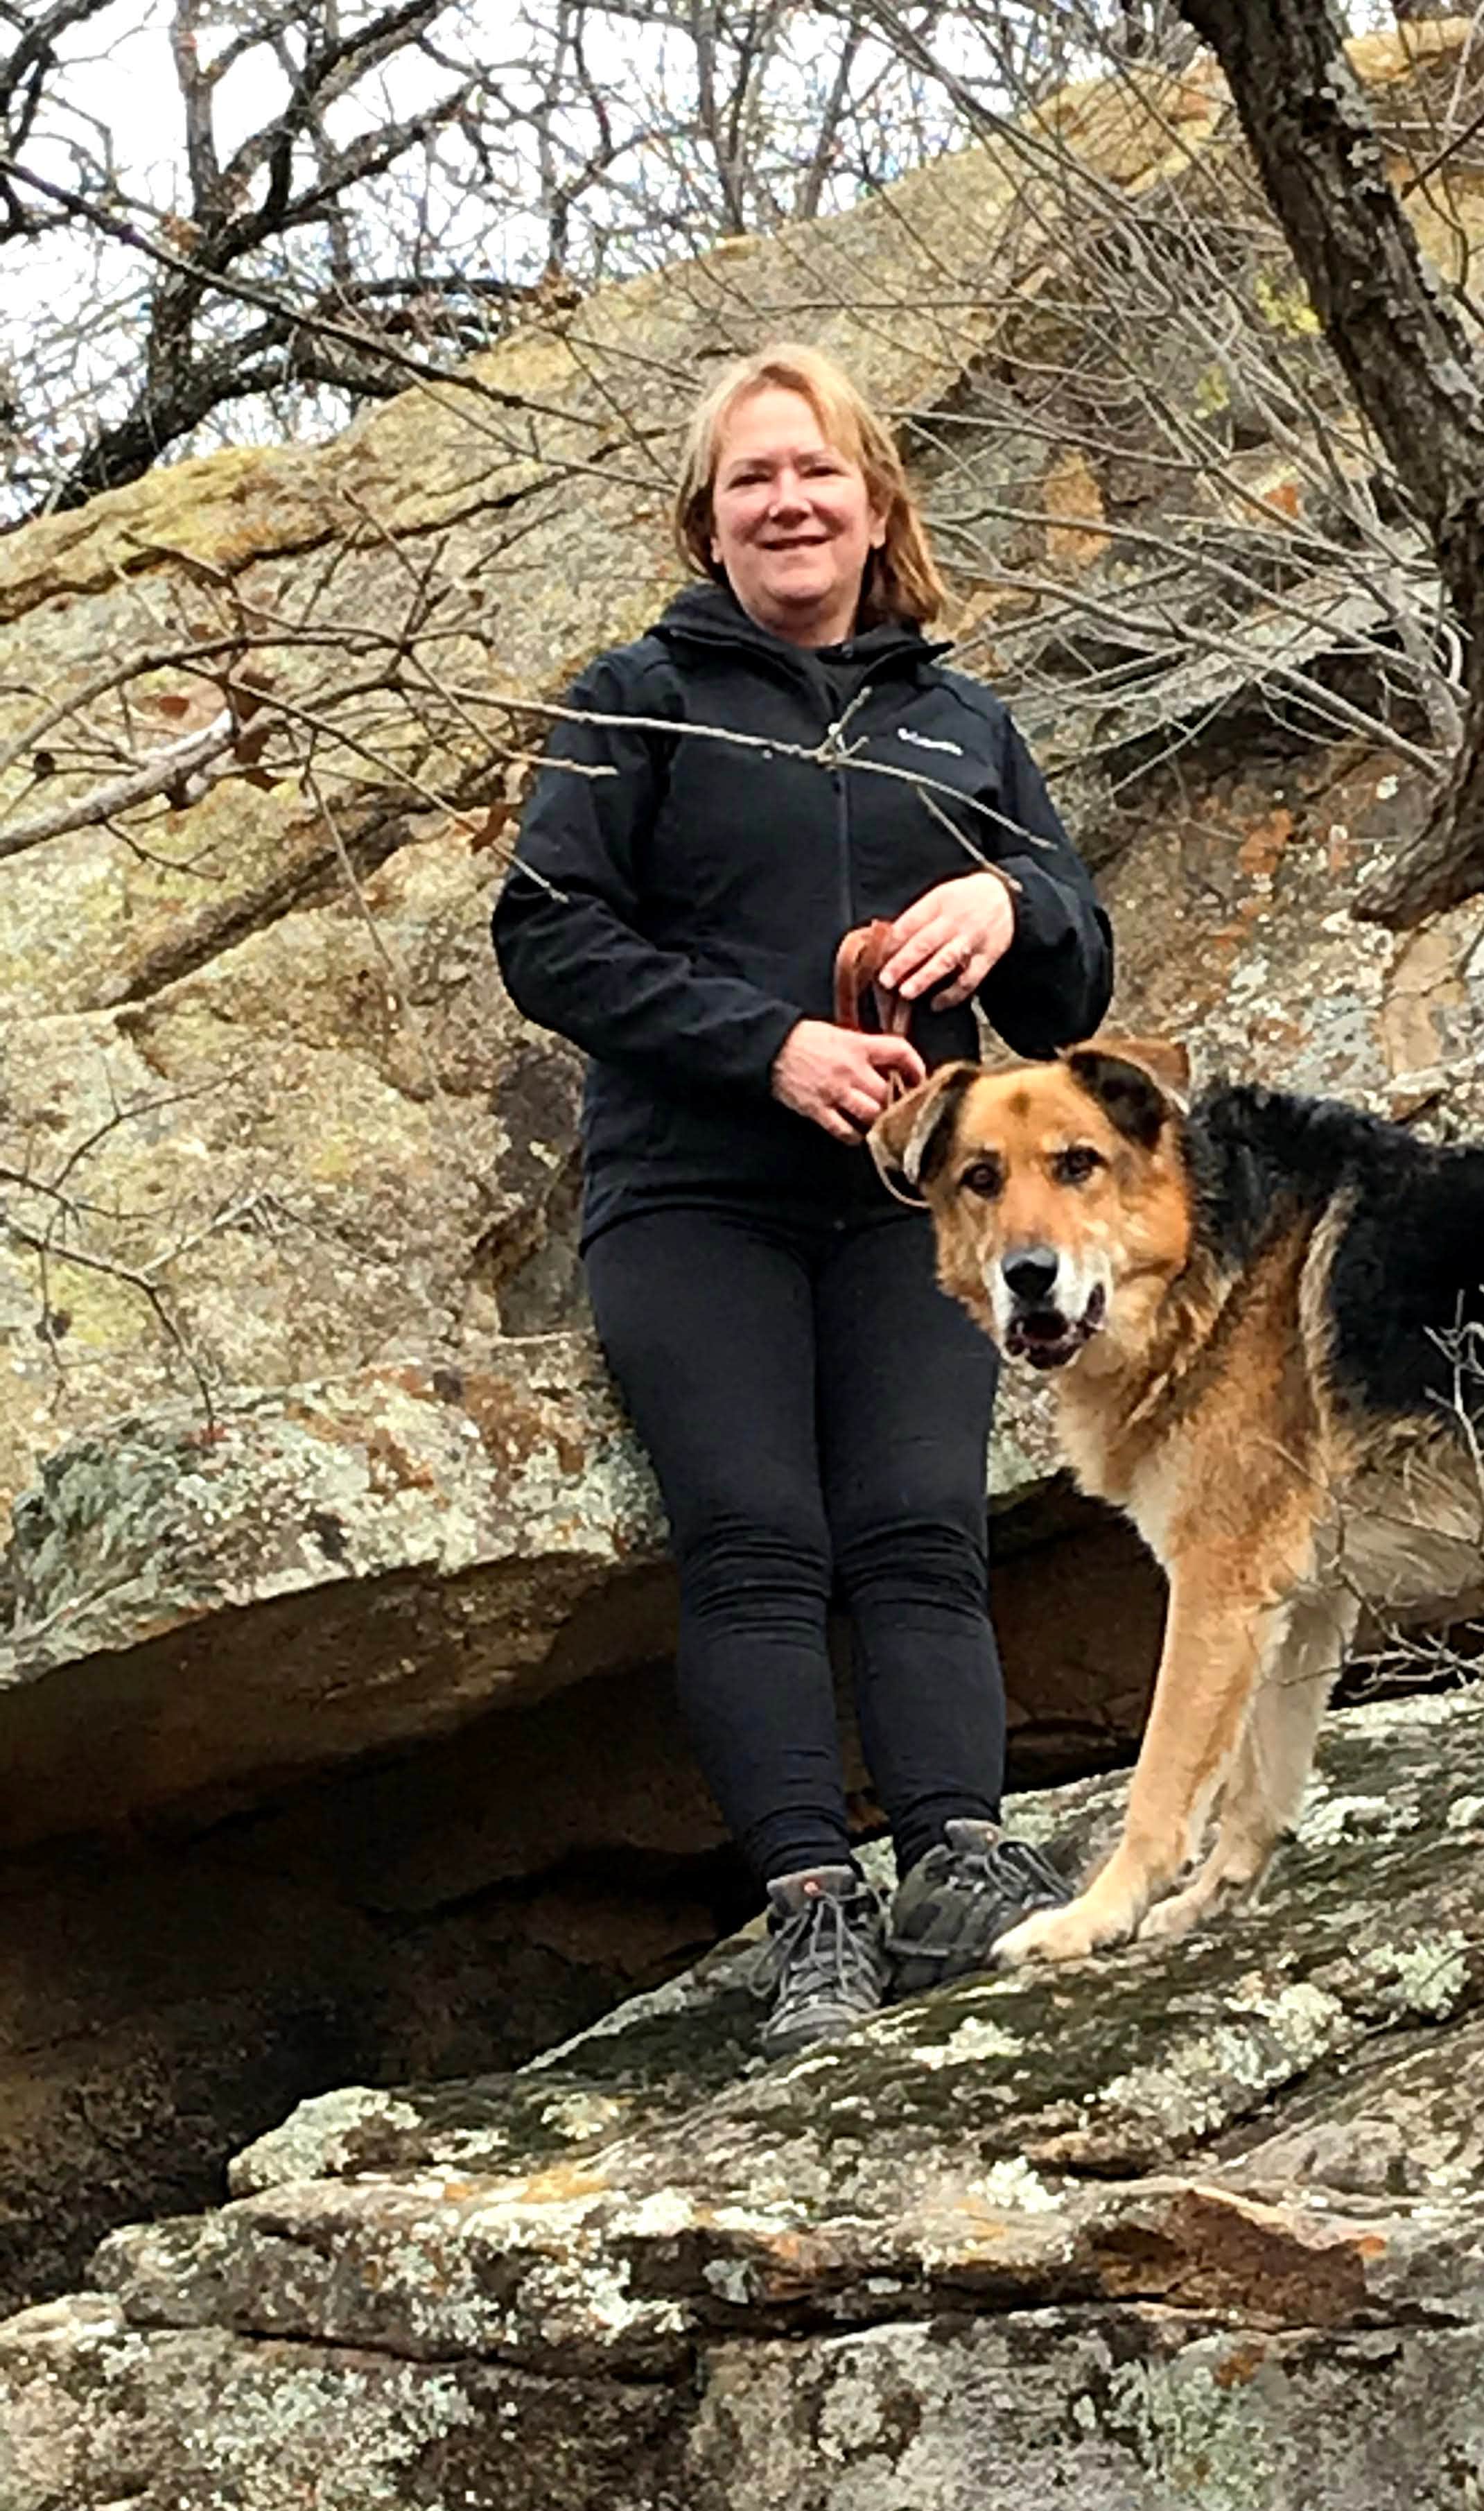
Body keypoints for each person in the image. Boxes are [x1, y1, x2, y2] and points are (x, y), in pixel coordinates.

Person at [491, 342, 1114, 2055]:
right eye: (753, 478)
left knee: (923, 1531)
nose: (789, 501)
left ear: (874, 505)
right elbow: (545, 935)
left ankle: (958, 1860)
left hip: (915, 1208)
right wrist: (764, 1045)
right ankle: (811, 1910)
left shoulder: (960, 723)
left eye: (817, 472)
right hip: (695, 1196)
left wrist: (1011, 908)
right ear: (710, 520)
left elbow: (1074, 987)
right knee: (758, 1543)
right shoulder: (641, 701)